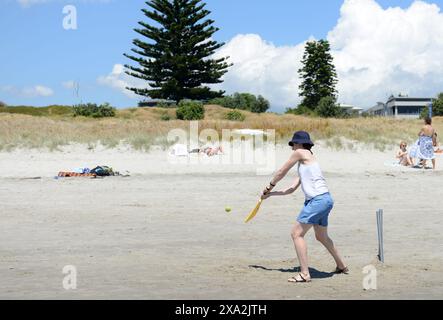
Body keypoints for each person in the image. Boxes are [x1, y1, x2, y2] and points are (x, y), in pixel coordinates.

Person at [261, 131, 347, 283]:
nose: (292, 147)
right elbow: (291, 189)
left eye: (293, 144)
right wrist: (271, 194)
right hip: (325, 200)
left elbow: (281, 171)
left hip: (317, 201)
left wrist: (269, 185)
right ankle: (341, 265)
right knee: (321, 236)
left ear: (299, 143)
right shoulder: (306, 164)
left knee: (296, 234)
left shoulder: (301, 152)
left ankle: (305, 274)